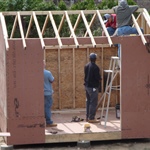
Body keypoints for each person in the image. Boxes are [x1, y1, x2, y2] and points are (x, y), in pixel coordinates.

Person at [84, 53, 101, 123]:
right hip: (93, 87)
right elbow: (98, 78)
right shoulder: (96, 67)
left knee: (88, 101)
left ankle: (87, 117)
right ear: (95, 59)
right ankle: (91, 118)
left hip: (87, 86)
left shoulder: (86, 66)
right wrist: (100, 79)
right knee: (93, 103)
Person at [44, 61, 57, 127]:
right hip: (48, 92)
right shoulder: (48, 73)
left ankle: (42, 120)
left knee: (42, 107)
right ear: (44, 65)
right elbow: (52, 80)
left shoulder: (36, 73)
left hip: (40, 93)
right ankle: (48, 122)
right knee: (47, 107)